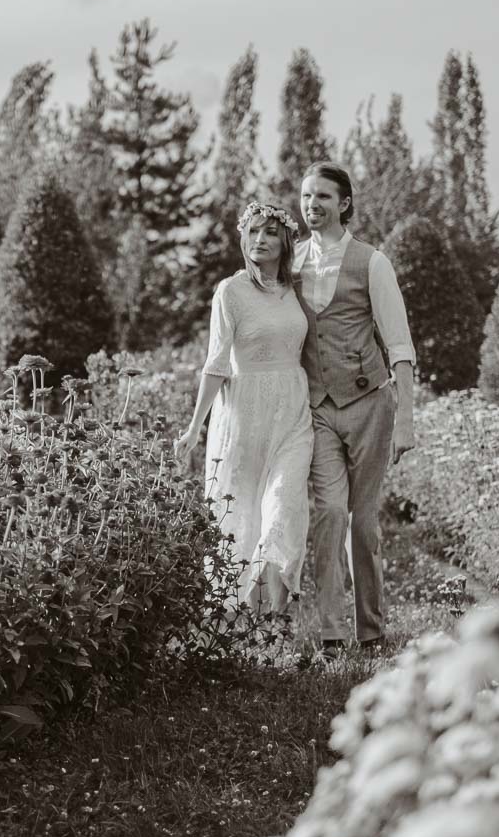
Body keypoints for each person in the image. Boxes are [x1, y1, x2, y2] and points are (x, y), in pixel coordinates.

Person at [293, 161, 417, 652]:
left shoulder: (372, 262)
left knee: (363, 522)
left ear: (344, 203)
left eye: (322, 196)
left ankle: (371, 630)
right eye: (305, 197)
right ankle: (330, 632)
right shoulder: (293, 263)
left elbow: (400, 345)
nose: (311, 205)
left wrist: (405, 420)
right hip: (317, 407)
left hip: (369, 404)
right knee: (328, 515)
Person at [175, 200, 313, 614]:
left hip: (292, 412)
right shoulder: (230, 291)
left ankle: (278, 620)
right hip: (243, 414)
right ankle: (247, 622)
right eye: (253, 231)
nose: (260, 240)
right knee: (242, 518)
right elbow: (216, 363)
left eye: (270, 232)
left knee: (283, 505)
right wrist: (194, 428)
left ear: (286, 240)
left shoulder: (296, 289)